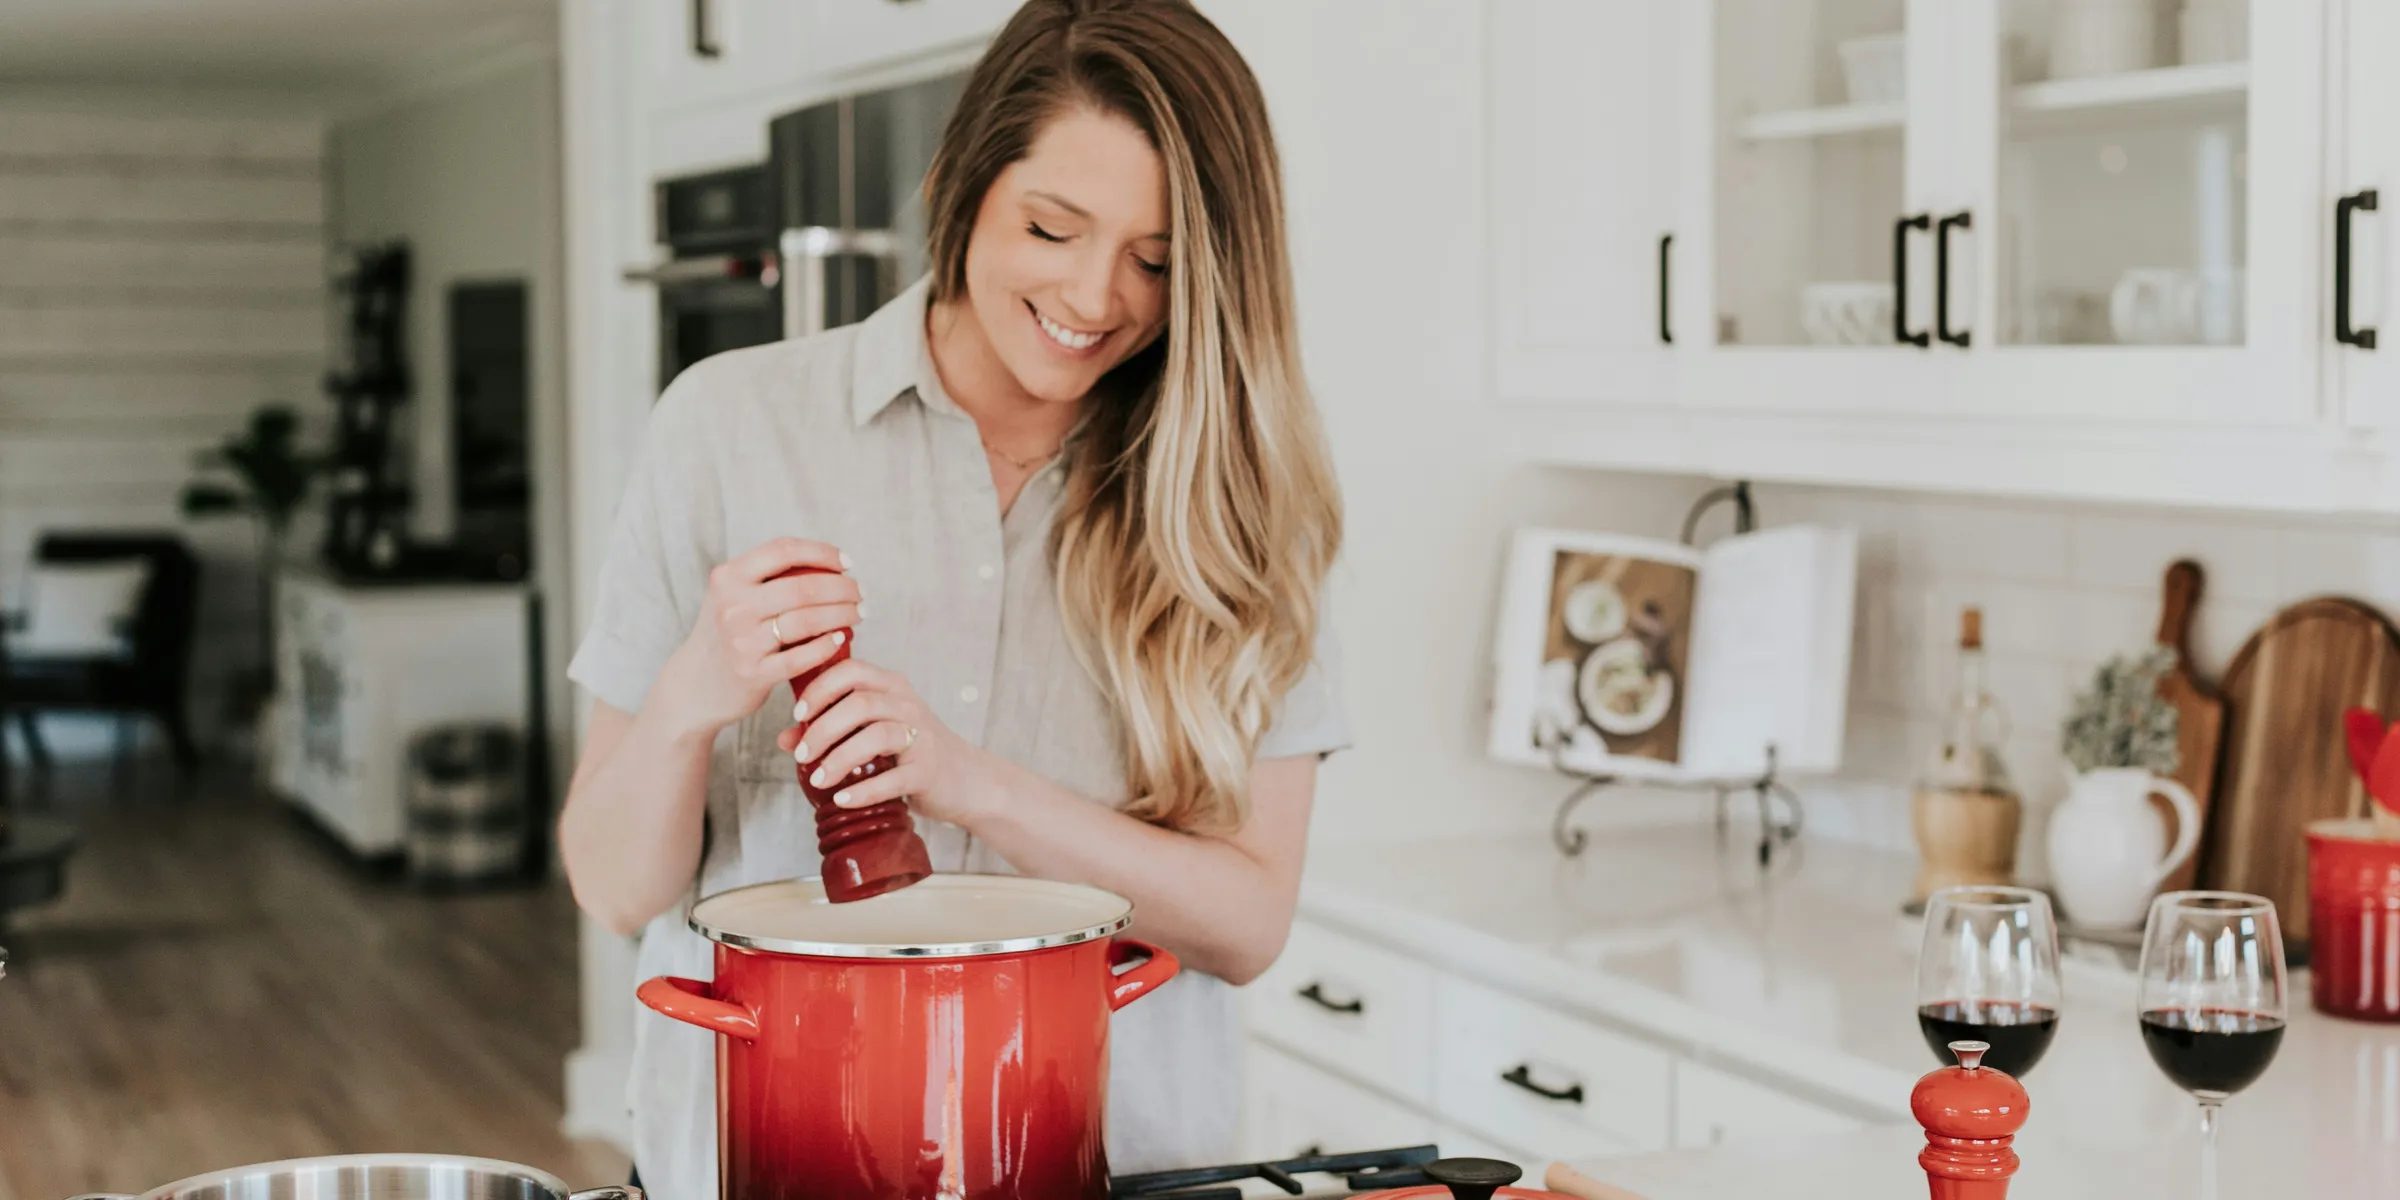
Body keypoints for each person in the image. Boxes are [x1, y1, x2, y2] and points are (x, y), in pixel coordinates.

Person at [556, 1, 1347, 1195]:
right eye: (1051, 227)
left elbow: (1246, 926)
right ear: (968, 184)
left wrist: (966, 779)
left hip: (1113, 1167)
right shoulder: (729, 426)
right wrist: (689, 698)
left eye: (1156, 261)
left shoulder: (1244, 502)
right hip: (765, 1162)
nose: (1095, 296)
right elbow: (614, 885)